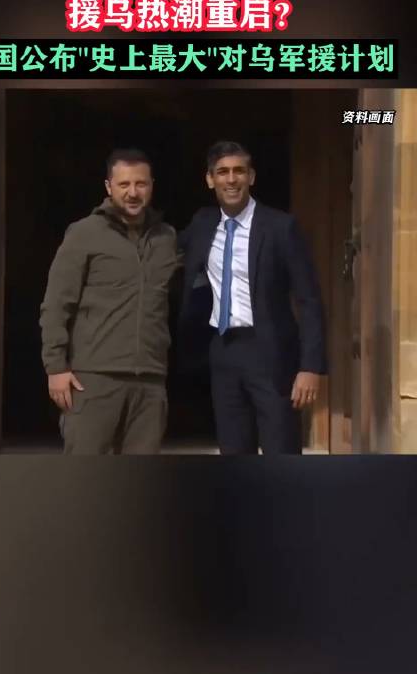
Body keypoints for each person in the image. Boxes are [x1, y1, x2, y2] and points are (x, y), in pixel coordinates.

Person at [178, 140, 327, 455]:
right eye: (222, 172)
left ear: (251, 176)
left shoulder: (281, 227)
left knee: (281, 450)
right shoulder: (202, 224)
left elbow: (309, 299)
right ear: (210, 179)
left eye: (239, 171)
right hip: (223, 351)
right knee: (233, 451)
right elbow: (165, 255)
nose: (231, 179)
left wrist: (311, 367)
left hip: (271, 353)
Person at [40, 148, 178, 454]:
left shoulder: (166, 238)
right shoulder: (84, 233)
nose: (133, 192)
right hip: (93, 380)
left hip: (150, 382)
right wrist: (55, 367)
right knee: (87, 477)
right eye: (124, 184)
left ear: (151, 186)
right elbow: (56, 304)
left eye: (140, 184)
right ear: (108, 187)